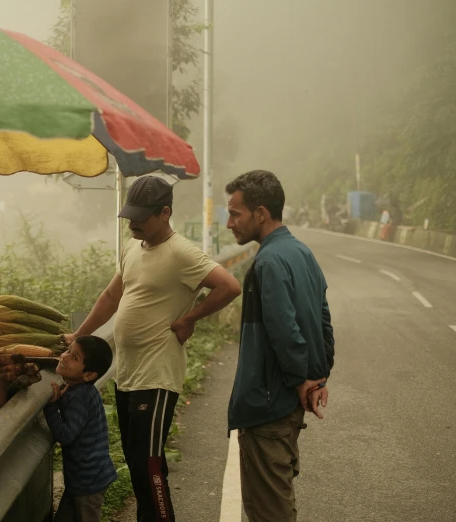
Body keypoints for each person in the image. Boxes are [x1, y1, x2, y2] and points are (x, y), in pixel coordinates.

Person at [66, 176, 242, 522]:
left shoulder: (182, 253)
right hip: (128, 372)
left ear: (165, 213)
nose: (131, 223)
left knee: (148, 466)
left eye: (140, 217)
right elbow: (111, 297)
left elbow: (229, 286)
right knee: (138, 461)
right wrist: (78, 338)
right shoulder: (132, 248)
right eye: (129, 215)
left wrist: (190, 319)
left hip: (157, 375)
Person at [224, 170, 335, 522]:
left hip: (268, 402)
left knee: (268, 509)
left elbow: (283, 331)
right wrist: (317, 376)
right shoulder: (301, 252)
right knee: (277, 497)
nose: (229, 223)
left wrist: (301, 377)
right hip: (287, 399)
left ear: (260, 213)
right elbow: (323, 320)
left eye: (235, 213)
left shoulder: (268, 261)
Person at [44, 336, 117, 522]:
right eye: (68, 350)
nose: (65, 356)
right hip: (81, 479)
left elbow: (66, 435)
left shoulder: (81, 396)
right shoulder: (76, 388)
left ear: (89, 375)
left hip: (89, 482)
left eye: (74, 357)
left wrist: (51, 406)